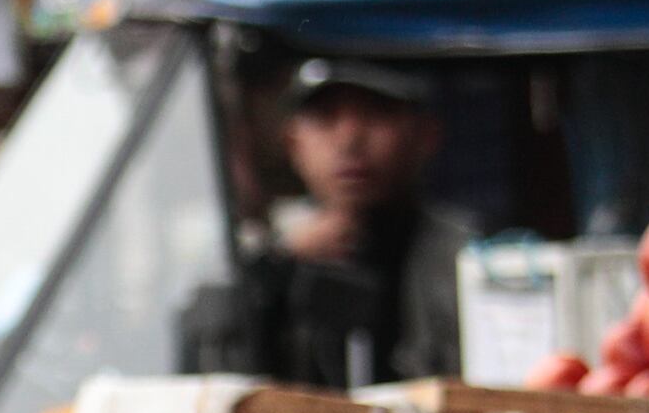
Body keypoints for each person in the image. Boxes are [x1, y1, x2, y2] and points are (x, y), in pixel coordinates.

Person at [179, 55, 471, 387]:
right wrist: (275, 268)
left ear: (426, 136)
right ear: (293, 143)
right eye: (325, 118)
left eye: (376, 114)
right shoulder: (258, 260)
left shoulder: (464, 259)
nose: (349, 140)